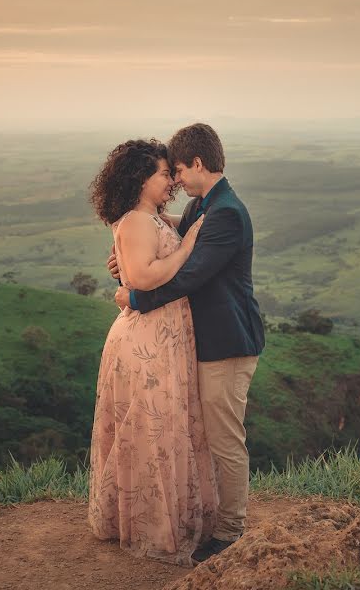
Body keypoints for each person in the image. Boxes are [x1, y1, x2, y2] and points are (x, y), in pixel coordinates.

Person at [109, 123, 265, 563]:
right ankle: (213, 518)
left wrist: (135, 297)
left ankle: (231, 531)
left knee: (224, 438)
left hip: (228, 342)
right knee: (208, 435)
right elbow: (166, 233)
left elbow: (192, 275)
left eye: (178, 170)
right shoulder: (205, 205)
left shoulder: (226, 213)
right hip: (206, 341)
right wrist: (127, 258)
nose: (175, 180)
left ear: (198, 164)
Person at [87, 138, 218, 567]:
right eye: (164, 173)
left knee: (159, 428)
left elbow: (132, 264)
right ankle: (151, 528)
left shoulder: (151, 218)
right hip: (146, 340)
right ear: (140, 179)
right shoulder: (138, 221)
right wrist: (186, 247)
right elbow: (143, 280)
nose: (171, 181)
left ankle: (158, 520)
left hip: (161, 336)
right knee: (151, 430)